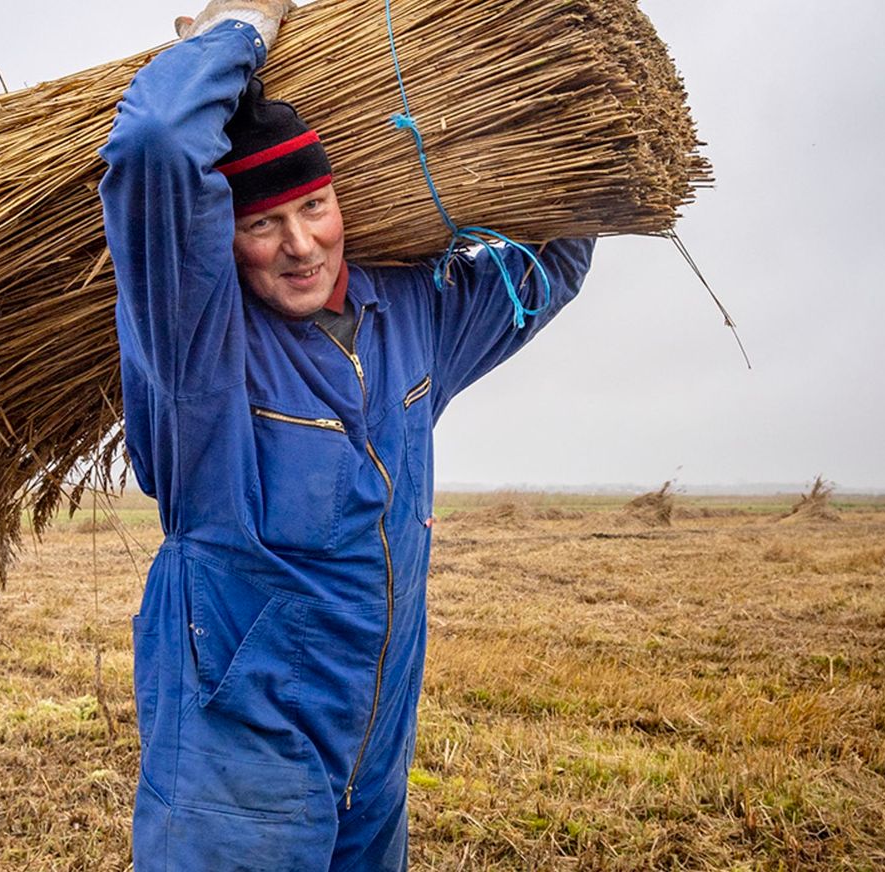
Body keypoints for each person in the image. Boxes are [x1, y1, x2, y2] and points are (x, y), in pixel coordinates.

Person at [96, 2, 597, 868]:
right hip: (239, 775)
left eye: (315, 206)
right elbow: (155, 143)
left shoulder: (409, 315)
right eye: (262, 223)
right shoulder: (199, 349)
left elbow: (554, 263)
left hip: (375, 762)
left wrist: (574, 121)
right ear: (225, 239)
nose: (300, 245)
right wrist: (241, 25)